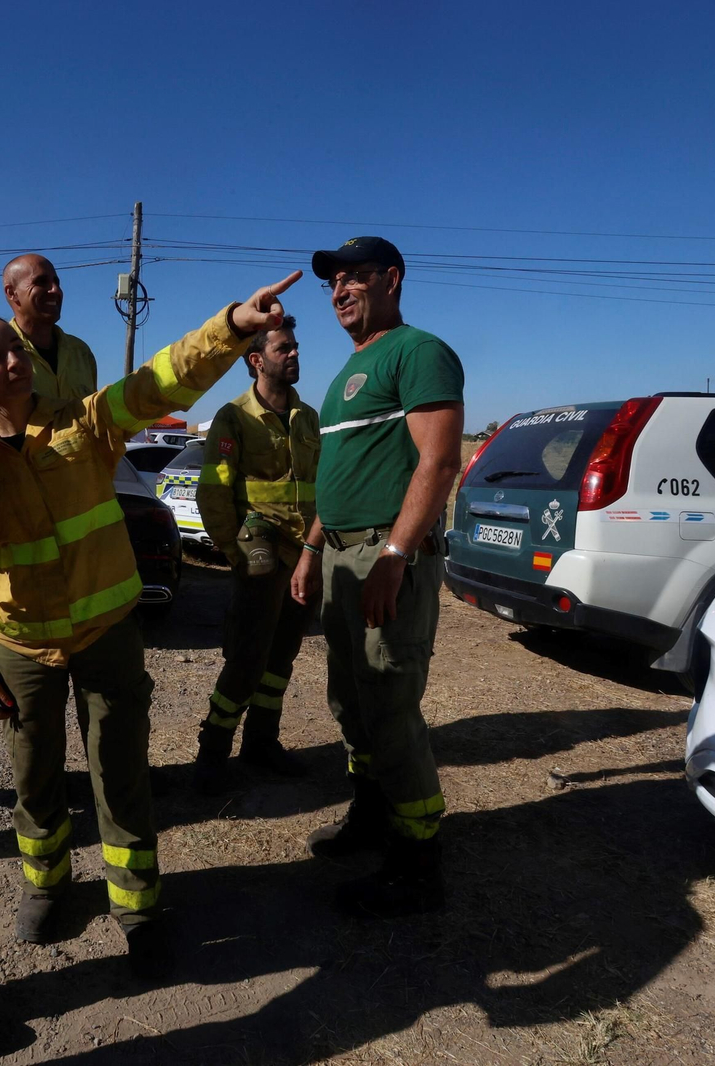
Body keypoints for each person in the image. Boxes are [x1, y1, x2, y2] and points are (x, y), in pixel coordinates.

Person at [0, 271, 301, 975]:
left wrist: (231, 326)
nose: (14, 360)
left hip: (107, 633)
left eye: (15, 349)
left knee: (121, 776)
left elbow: (158, 382)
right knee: (35, 782)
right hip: (23, 645)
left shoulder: (84, 421)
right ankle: (47, 887)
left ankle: (137, 906)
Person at [291, 236, 464, 920]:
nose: (340, 289)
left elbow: (439, 462)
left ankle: (417, 864)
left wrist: (395, 555)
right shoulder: (348, 370)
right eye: (333, 281)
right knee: (351, 703)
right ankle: (370, 813)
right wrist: (311, 550)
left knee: (390, 709)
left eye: (355, 277)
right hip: (341, 557)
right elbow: (341, 477)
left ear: (391, 279)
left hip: (382, 556)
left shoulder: (417, 352)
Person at [191, 315, 320, 794]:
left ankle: (261, 743)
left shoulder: (309, 417)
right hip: (260, 555)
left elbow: (321, 485)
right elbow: (214, 492)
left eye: (295, 346)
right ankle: (212, 753)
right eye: (283, 348)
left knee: (282, 657)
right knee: (247, 659)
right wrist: (234, 552)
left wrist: (314, 550)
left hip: (304, 555)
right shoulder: (234, 418)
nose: (294, 353)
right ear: (256, 360)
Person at [3, 253, 98, 402]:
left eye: (56, 282)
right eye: (41, 282)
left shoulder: (81, 352)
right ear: (12, 293)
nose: (55, 290)